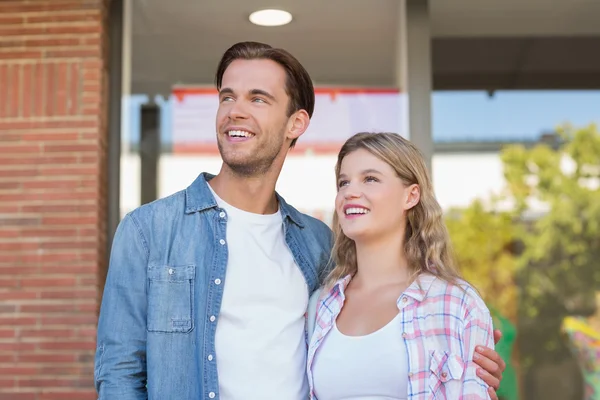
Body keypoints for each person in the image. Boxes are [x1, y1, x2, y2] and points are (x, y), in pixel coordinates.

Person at [94, 41, 505, 400]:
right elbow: (119, 374)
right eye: (227, 97)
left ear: (297, 123)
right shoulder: (150, 230)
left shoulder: (316, 243)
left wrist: (463, 347)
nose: (235, 112)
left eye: (257, 99)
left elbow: (382, 334)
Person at [307, 132, 497, 399]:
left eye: (370, 179)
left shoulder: (457, 303)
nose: (350, 192)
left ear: (411, 196)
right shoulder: (321, 305)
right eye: (343, 182)